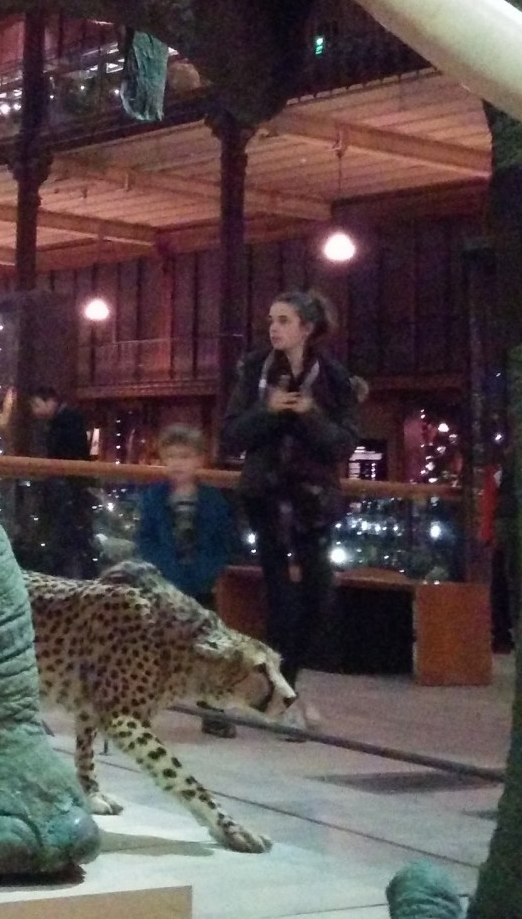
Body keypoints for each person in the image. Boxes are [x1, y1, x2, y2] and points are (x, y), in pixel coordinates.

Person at [220, 290, 361, 714]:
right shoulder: (255, 371)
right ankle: (281, 693)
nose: (274, 328)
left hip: (312, 501)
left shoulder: (335, 378)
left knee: (319, 594)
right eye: (271, 320)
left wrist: (309, 414)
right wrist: (269, 411)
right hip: (265, 496)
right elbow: (230, 436)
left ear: (306, 327)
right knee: (281, 595)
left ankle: (282, 683)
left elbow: (344, 444)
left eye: (283, 320)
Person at [135, 422, 237, 610]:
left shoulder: (213, 499)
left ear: (199, 460)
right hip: (163, 585)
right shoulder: (153, 497)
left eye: (185, 456)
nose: (177, 463)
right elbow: (146, 538)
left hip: (203, 588)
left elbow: (223, 540)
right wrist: (162, 569)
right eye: (171, 456)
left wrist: (207, 572)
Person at [29, 385, 95, 578]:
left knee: (67, 536)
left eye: (36, 405)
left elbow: (69, 453)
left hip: (69, 488)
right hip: (67, 486)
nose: (35, 412)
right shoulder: (61, 421)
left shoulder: (67, 420)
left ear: (50, 401)